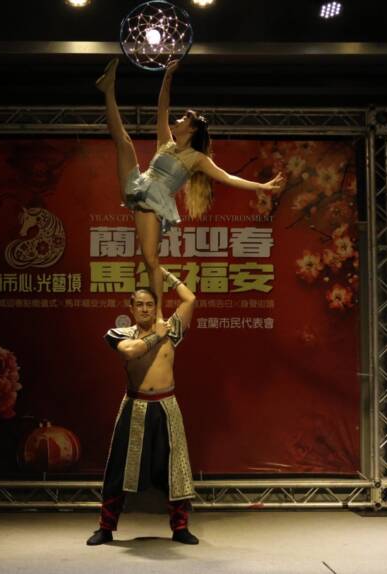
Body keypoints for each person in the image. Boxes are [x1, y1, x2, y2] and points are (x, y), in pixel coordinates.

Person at [95, 58, 285, 316]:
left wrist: (262, 186)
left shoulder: (197, 158)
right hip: (139, 186)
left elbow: (227, 177)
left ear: (193, 128)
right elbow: (162, 106)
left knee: (150, 260)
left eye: (185, 118)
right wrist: (167, 76)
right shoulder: (166, 142)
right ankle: (108, 89)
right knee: (124, 142)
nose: (179, 119)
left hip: (155, 202)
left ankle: (158, 314)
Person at [87, 267, 199, 546]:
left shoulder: (172, 330)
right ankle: (105, 528)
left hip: (166, 407)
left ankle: (180, 528)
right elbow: (131, 351)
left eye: (150, 304)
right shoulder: (121, 333)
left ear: (155, 306)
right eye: (140, 304)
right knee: (118, 468)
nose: (145, 309)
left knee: (174, 469)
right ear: (131, 308)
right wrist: (157, 335)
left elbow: (190, 299)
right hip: (135, 406)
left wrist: (163, 272)